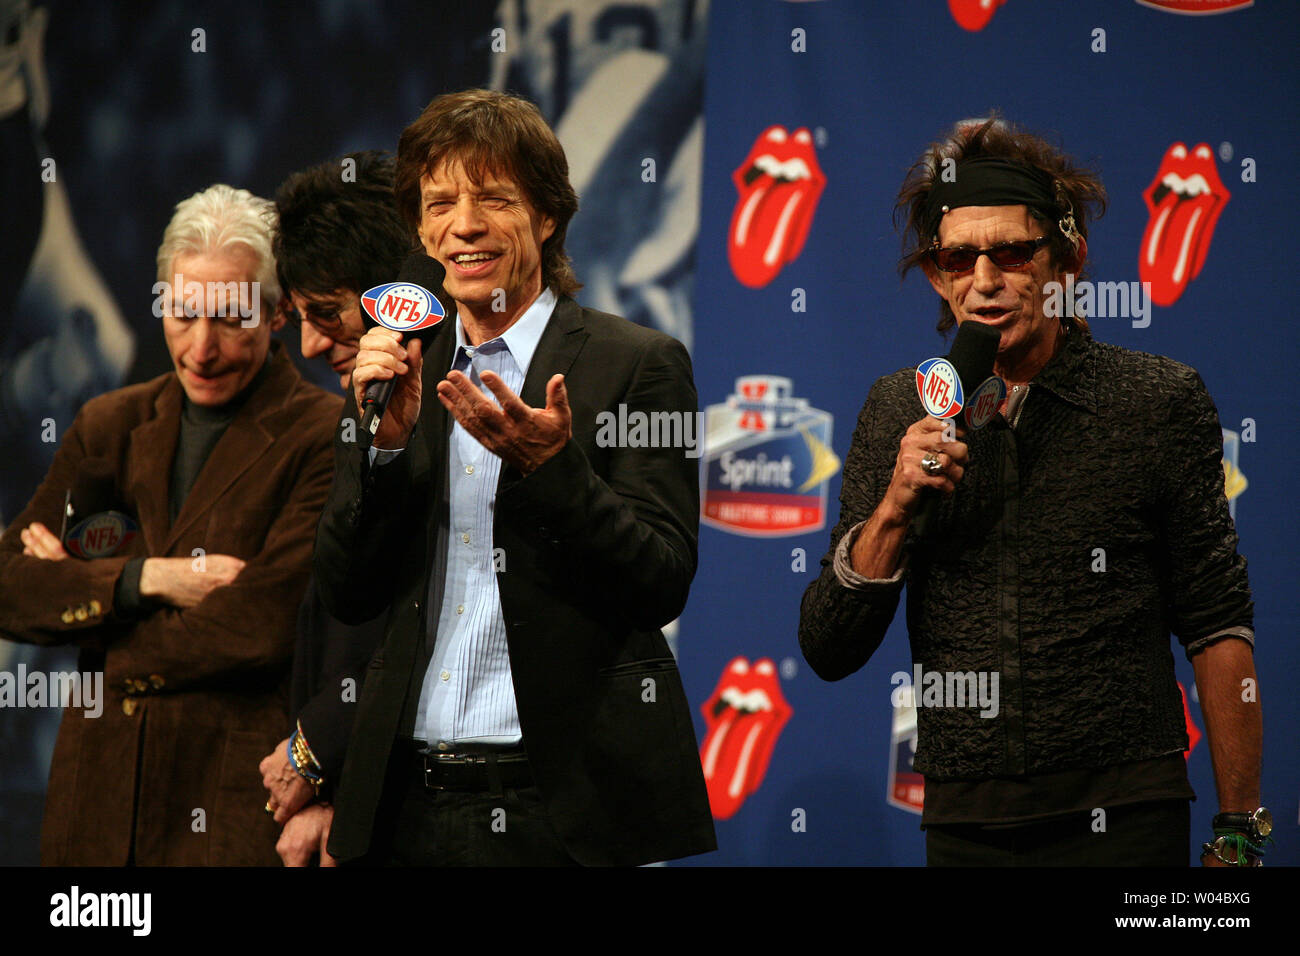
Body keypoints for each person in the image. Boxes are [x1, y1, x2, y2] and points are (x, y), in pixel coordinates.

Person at [798, 118, 1263, 867]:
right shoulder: (900, 411)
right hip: (964, 823)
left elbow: (1216, 624)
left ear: (1067, 260)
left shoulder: (1156, 400)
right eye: (959, 258)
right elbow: (827, 648)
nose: (985, 281)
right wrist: (893, 511)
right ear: (937, 278)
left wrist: (1239, 831)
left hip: (1128, 815)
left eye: (1011, 252)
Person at [283, 88, 715, 865]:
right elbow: (348, 590)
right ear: (418, 228)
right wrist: (381, 448)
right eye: (439, 202)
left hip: (557, 809)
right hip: (405, 805)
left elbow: (662, 578)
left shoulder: (638, 365)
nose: (465, 225)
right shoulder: (401, 367)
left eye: (493, 199)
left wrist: (552, 470)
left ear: (547, 218)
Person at [0, 184, 341, 865]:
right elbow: (9, 588)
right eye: (183, 315)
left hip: (228, 816)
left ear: (276, 313)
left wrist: (85, 614)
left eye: (227, 320)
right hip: (92, 816)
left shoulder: (326, 437)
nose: (201, 348)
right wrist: (148, 580)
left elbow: (257, 628)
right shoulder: (109, 424)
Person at [257, 150, 411, 866]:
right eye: (301, 317)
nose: (312, 344)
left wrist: (319, 752)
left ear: (392, 292)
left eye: (328, 314)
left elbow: (420, 620)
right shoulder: (358, 409)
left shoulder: (469, 405)